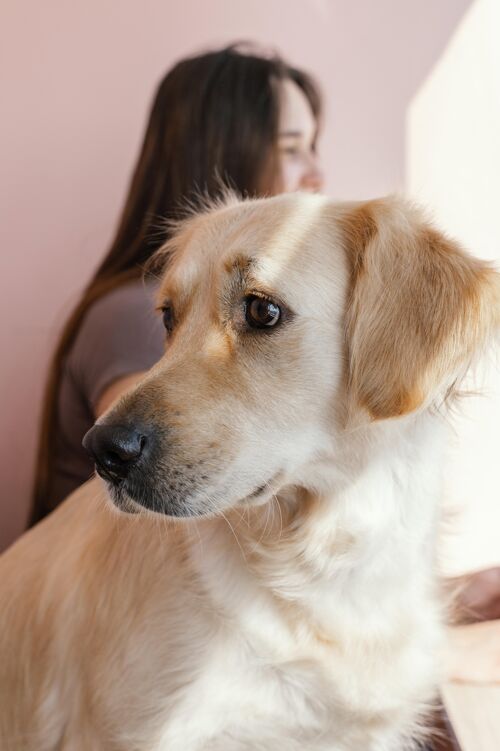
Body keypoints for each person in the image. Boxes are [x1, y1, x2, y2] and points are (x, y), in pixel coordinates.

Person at [29, 44, 323, 526]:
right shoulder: (128, 313)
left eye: (314, 146)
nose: (316, 175)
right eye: (291, 149)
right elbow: (169, 474)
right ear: (224, 152)